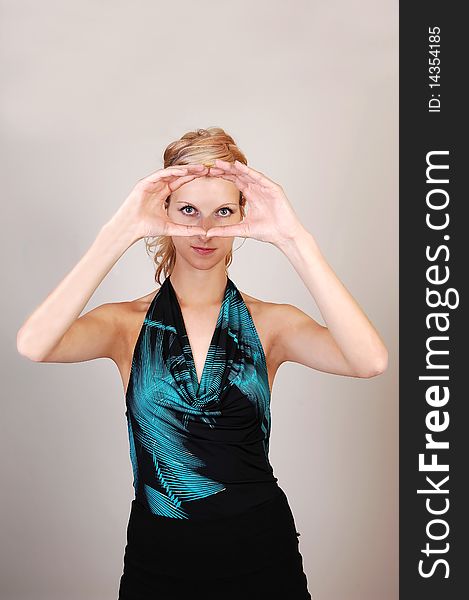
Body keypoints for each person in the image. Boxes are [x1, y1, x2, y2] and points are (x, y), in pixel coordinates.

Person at [17, 126, 388, 599]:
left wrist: (295, 238)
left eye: (223, 212)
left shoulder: (271, 323)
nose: (205, 230)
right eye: (188, 210)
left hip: (261, 551)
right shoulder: (124, 324)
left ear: (244, 216)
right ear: (163, 211)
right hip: (160, 556)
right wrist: (120, 231)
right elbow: (34, 344)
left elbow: (370, 360)